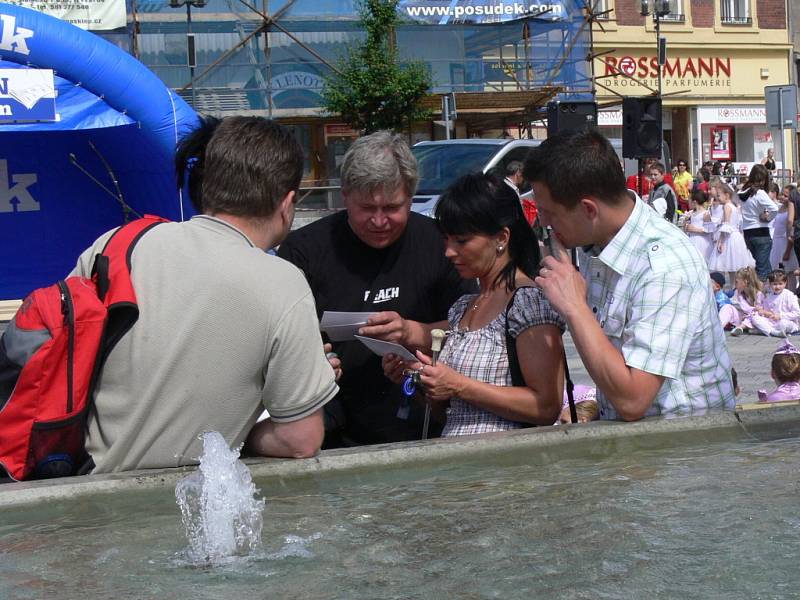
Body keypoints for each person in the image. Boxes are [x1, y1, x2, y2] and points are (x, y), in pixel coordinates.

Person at [70, 117, 340, 473]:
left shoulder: (118, 244)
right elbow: (300, 440)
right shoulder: (283, 283)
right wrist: (239, 434)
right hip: (181, 510)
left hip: (75, 489)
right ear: (287, 204)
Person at [278, 131, 476, 447]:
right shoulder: (304, 251)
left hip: (423, 425)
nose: (380, 221)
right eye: (367, 208)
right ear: (345, 196)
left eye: (393, 208)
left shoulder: (440, 244)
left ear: (411, 197)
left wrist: (414, 332)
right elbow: (277, 343)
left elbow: (473, 329)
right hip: (331, 431)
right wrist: (313, 362)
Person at [525, 129, 736, 421]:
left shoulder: (663, 266)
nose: (543, 222)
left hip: (684, 453)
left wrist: (574, 306)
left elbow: (633, 399)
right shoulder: (597, 241)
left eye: (549, 212)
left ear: (588, 209)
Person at [382, 172, 564, 435]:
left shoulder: (528, 302)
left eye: (462, 241)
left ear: (502, 238)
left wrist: (457, 385)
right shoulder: (463, 307)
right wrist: (420, 381)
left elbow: (546, 407)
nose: (449, 252)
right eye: (446, 239)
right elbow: (451, 414)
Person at [707, 181, 755, 285]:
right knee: (733, 267)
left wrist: (721, 241)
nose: (717, 198)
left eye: (719, 195)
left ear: (727, 195)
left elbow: (726, 225)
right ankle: (734, 288)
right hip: (736, 236)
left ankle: (733, 289)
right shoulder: (734, 206)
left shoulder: (727, 207)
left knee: (729, 266)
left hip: (730, 237)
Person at [739, 164, 779, 281]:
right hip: (761, 232)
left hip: (748, 232)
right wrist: (767, 218)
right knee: (762, 270)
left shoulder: (743, 191)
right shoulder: (759, 193)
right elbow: (774, 208)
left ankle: (771, 292)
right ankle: (758, 296)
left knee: (765, 267)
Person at [749, 269, 800, 337]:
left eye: (780, 284)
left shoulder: (789, 295)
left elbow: (797, 313)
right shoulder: (769, 296)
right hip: (772, 322)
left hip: (787, 322)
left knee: (783, 324)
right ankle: (773, 332)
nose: (777, 287)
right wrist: (762, 311)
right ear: (770, 284)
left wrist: (780, 316)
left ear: (785, 283)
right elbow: (767, 311)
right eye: (774, 284)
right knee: (754, 317)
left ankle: (764, 330)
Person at [770, 186, 798, 290]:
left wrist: (788, 249)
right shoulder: (780, 207)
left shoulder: (791, 210)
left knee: (788, 271)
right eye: (782, 194)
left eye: (786, 196)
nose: (782, 197)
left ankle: (791, 294)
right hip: (777, 241)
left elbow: (790, 229)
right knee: (777, 270)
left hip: (785, 242)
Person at [726, 266, 764, 336]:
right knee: (728, 307)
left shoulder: (758, 294)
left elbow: (760, 310)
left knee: (754, 315)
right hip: (745, 316)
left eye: (737, 282)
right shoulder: (739, 293)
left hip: (757, 318)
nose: (735, 285)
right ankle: (719, 326)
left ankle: (741, 327)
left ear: (745, 282)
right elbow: (742, 307)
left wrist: (751, 312)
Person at [682, 188, 712, 263]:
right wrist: (685, 225)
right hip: (692, 240)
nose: (688, 202)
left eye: (689, 200)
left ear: (694, 202)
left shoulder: (705, 214)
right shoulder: (691, 214)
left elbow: (709, 230)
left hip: (702, 242)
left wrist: (695, 229)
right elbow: (687, 229)